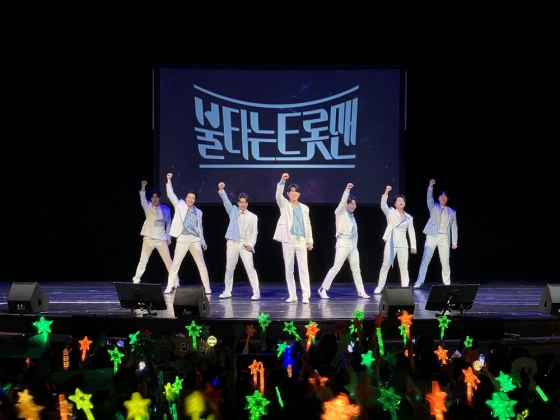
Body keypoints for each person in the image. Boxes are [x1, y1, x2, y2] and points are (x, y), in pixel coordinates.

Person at [318, 184, 370, 299]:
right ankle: (323, 289)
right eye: (352, 204)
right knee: (336, 267)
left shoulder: (352, 217)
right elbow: (342, 202)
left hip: (352, 245)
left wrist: (354, 245)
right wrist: (347, 190)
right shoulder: (340, 212)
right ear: (347, 204)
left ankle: (361, 291)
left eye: (355, 204)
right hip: (343, 242)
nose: (354, 206)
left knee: (356, 269)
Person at [164, 173, 211, 294]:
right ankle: (169, 286)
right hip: (183, 237)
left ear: (195, 200)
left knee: (201, 264)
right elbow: (170, 195)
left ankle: (207, 287)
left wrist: (203, 242)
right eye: (189, 197)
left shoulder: (198, 212)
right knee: (176, 263)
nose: (190, 199)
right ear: (186, 198)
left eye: (193, 198)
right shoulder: (180, 205)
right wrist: (169, 180)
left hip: (195, 239)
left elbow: (200, 228)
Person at [273, 173, 313, 304]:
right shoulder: (284, 205)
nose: (293, 193)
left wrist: (310, 240)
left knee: (303, 269)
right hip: (288, 240)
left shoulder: (305, 208)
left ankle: (306, 295)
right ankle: (293, 295)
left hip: (301, 240)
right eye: (291, 191)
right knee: (289, 268)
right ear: (288, 194)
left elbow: (308, 224)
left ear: (299, 194)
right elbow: (278, 196)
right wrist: (282, 181)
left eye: (296, 191)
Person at [217, 182, 260, 300]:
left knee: (250, 269)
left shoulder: (253, 217)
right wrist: (222, 191)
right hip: (232, 242)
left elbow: (254, 232)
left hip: (245, 244)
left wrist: (251, 245)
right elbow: (226, 202)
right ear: (238, 203)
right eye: (241, 202)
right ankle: (227, 291)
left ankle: (256, 292)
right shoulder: (233, 211)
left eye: (245, 202)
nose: (243, 204)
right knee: (229, 268)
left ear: (247, 203)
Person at [414, 179, 458, 288]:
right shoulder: (434, 207)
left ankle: (447, 283)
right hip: (432, 236)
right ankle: (419, 281)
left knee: (445, 261)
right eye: (441, 196)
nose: (443, 198)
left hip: (444, 237)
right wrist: (430, 187)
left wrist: (454, 241)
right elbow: (429, 198)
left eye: (445, 196)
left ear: (447, 199)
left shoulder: (452, 212)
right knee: (426, 259)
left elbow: (454, 227)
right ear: (438, 198)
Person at [132, 180, 178, 285]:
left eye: (156, 197)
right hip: (149, 238)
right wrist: (143, 187)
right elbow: (142, 198)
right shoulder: (147, 206)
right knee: (143, 260)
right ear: (151, 199)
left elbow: (168, 224)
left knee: (168, 261)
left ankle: (176, 281)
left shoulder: (166, 209)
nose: (155, 199)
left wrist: (169, 238)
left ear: (159, 198)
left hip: (161, 238)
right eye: (153, 197)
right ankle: (136, 279)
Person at [374, 186, 417, 294]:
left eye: (403, 200)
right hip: (391, 241)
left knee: (404, 267)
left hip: (403, 243)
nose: (401, 202)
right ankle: (380, 286)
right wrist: (386, 192)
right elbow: (383, 205)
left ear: (405, 204)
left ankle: (405, 287)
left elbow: (411, 232)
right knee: (385, 265)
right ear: (395, 204)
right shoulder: (390, 212)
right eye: (399, 200)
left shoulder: (409, 217)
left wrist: (413, 246)